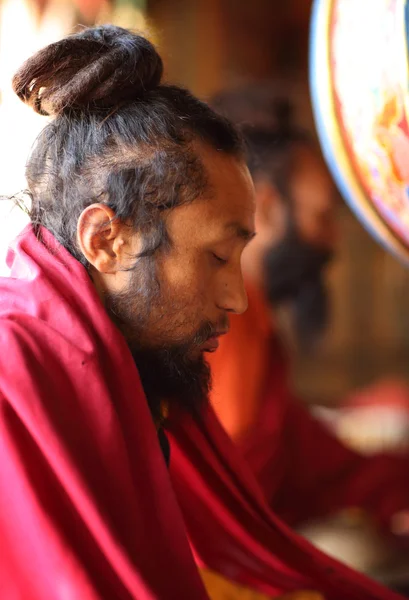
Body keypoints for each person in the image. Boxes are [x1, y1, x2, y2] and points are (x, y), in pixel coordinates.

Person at [0, 24, 406, 600]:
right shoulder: (12, 370)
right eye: (217, 256)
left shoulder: (142, 357)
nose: (238, 298)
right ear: (105, 239)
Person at [206, 90, 409, 536]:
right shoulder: (211, 331)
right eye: (321, 219)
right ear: (271, 209)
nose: (333, 242)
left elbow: (315, 462)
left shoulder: (256, 328)